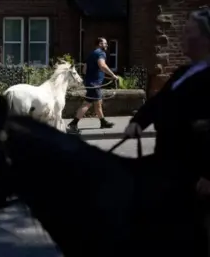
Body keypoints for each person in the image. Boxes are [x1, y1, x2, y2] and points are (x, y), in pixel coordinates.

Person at [124, 8, 210, 254]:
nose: (182, 36)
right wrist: (138, 121)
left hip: (195, 175)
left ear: (205, 38)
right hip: (169, 163)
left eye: (188, 31)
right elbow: (158, 102)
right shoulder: (183, 72)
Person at [67, 37, 118, 133]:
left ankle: (103, 122)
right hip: (95, 84)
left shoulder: (91, 54)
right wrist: (113, 75)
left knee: (98, 104)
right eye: (105, 43)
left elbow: (84, 70)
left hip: (91, 82)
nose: (106, 45)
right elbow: (102, 66)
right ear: (99, 44)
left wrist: (94, 75)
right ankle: (73, 124)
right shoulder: (100, 53)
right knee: (86, 104)